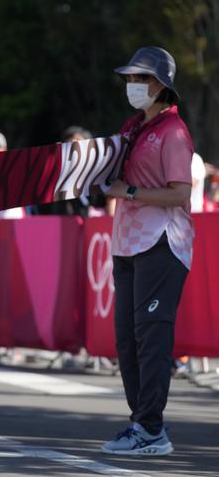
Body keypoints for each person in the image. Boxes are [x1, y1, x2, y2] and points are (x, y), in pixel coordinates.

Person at [101, 46, 193, 457]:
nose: (132, 86)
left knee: (150, 339)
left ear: (160, 85)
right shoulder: (134, 126)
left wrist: (131, 191)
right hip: (127, 242)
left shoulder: (173, 132)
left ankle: (152, 429)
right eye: (130, 79)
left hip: (161, 242)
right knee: (127, 340)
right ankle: (141, 423)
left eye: (140, 79)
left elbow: (181, 193)